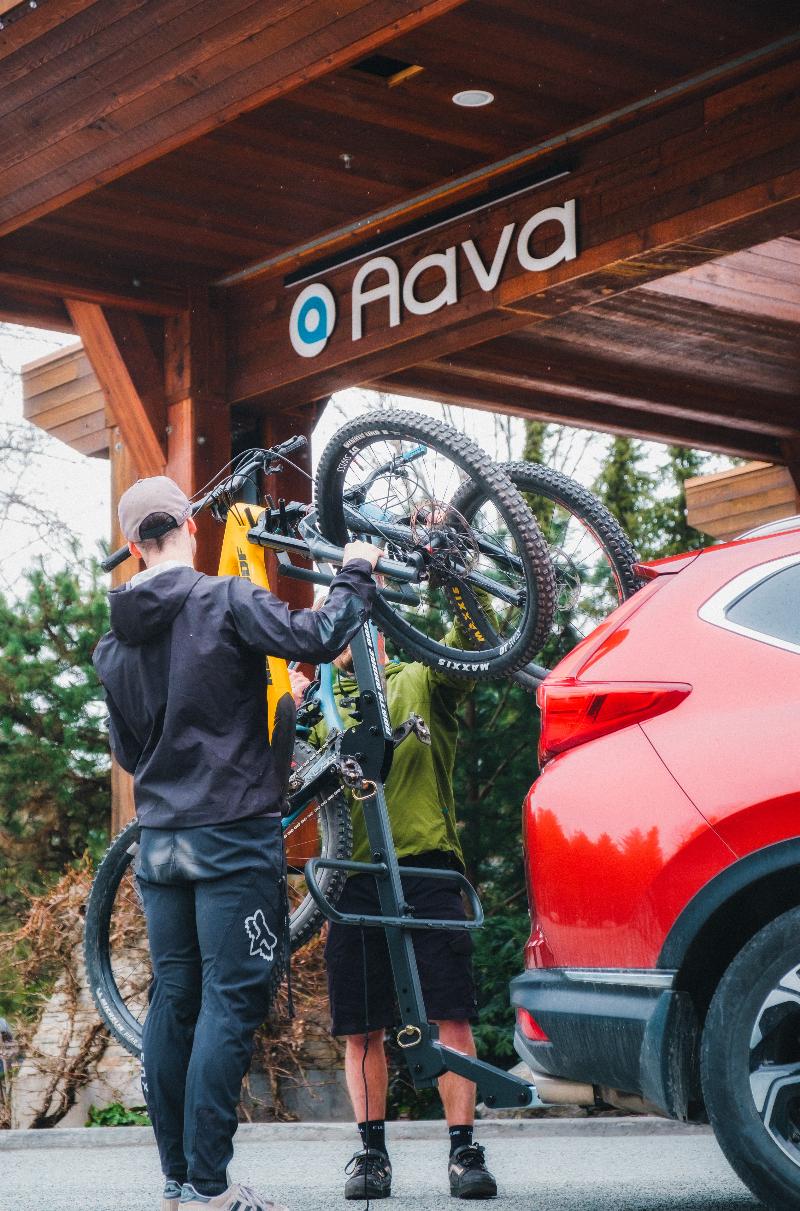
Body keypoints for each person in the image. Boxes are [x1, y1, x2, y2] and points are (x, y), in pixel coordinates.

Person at [93, 475, 381, 1211]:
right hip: (233, 839)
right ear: (191, 527)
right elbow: (320, 635)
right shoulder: (225, 599)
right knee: (229, 1001)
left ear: (132, 545)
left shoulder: (113, 646)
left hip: (160, 847)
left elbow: (128, 753)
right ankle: (211, 1188)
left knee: (175, 1001)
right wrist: (356, 569)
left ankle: (179, 1180)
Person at [294, 609, 498, 1201]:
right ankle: (372, 1155)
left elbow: (474, 643)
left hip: (426, 865)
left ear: (379, 632)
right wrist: (290, 702)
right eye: (332, 629)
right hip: (352, 878)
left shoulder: (419, 678)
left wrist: (457, 577)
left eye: (358, 624)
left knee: (450, 1014)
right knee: (361, 1027)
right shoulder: (319, 709)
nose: (347, 639)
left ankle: (463, 1152)